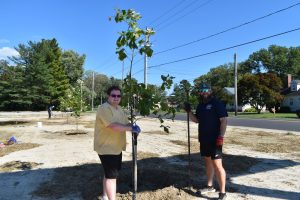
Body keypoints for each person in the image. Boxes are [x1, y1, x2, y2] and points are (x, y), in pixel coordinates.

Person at [94, 85, 141, 200]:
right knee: (112, 177)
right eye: (113, 95)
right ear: (108, 96)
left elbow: (125, 124)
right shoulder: (104, 108)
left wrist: (133, 126)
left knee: (108, 174)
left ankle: (105, 196)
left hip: (116, 147)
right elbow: (113, 126)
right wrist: (130, 129)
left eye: (118, 96)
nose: (116, 97)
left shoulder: (119, 109)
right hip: (106, 148)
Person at [184, 82, 228, 200]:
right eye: (202, 91)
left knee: (218, 165)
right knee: (208, 163)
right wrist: (189, 112)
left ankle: (222, 192)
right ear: (200, 92)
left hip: (215, 139)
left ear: (211, 91)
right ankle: (209, 186)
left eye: (207, 90)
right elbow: (197, 120)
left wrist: (221, 136)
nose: (204, 93)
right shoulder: (200, 106)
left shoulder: (217, 104)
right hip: (204, 139)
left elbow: (223, 120)